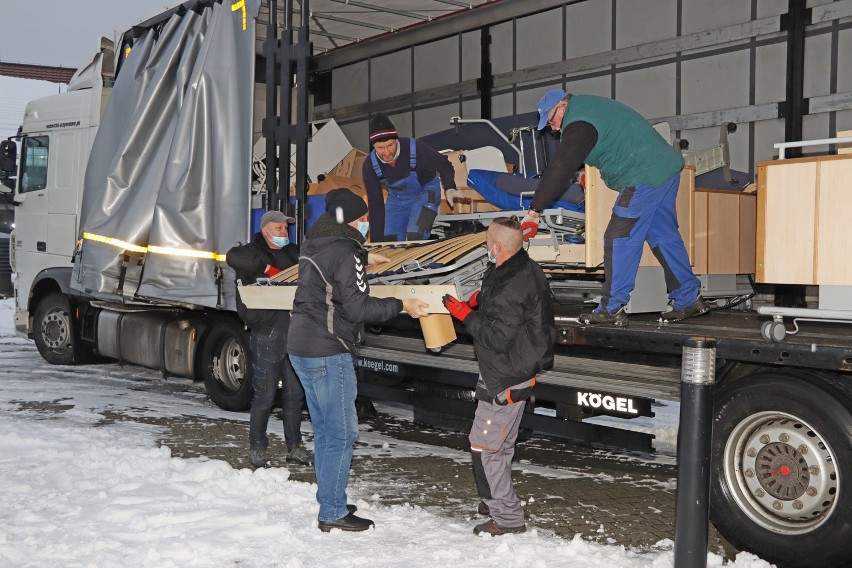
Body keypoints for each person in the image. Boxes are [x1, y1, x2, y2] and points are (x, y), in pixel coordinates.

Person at [287, 187, 430, 532]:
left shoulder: (316, 243)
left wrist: (364, 259)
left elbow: (336, 277)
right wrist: (401, 305)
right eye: (364, 218)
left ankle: (331, 498)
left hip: (301, 346)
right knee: (341, 433)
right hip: (328, 349)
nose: (367, 223)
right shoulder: (345, 248)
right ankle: (333, 512)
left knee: (324, 430)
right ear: (353, 220)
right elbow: (357, 307)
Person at [522, 89, 709, 326]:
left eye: (551, 121)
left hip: (643, 174)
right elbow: (609, 143)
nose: (554, 129)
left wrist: (534, 212)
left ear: (562, 106)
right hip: (663, 169)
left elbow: (560, 166)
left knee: (619, 235)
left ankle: (611, 307)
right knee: (663, 235)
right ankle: (688, 298)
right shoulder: (590, 108)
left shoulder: (579, 122)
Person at [442, 217, 555, 536]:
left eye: (486, 243)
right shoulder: (519, 264)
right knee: (501, 445)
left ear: (495, 247)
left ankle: (507, 518)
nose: (484, 247)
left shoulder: (511, 286)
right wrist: (478, 299)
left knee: (484, 447)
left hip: (506, 374)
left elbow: (496, 338)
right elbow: (498, 293)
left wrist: (465, 315)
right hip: (510, 369)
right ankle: (494, 498)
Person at [226, 211, 313, 468]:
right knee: (264, 395)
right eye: (279, 228)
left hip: (295, 332)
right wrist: (266, 268)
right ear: (266, 230)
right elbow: (233, 256)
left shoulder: (294, 253)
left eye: (286, 227)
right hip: (268, 333)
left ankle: (294, 447)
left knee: (294, 396)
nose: (284, 231)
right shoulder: (252, 252)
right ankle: (257, 448)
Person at [362, 113, 460, 242]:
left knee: (415, 236)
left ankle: (423, 262)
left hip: (425, 192)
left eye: (390, 145)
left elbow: (444, 165)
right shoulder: (370, 165)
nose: (386, 152)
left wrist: (450, 188)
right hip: (397, 199)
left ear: (396, 140)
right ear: (373, 146)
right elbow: (376, 206)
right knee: (388, 240)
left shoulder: (416, 148)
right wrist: (377, 246)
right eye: (380, 148)